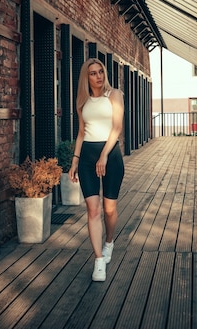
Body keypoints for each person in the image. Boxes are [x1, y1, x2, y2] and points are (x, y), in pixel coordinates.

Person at [68, 57, 125, 282]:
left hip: (110, 155)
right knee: (93, 210)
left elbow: (117, 127)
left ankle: (109, 241)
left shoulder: (115, 95)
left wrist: (103, 155)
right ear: (86, 77)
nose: (98, 76)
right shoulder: (82, 101)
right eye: (93, 73)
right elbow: (82, 132)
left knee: (109, 209)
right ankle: (98, 260)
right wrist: (75, 160)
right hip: (87, 157)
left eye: (100, 71)